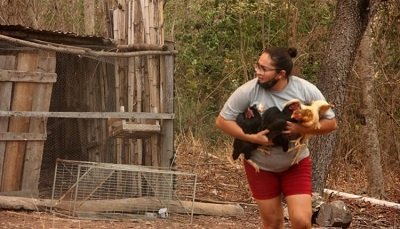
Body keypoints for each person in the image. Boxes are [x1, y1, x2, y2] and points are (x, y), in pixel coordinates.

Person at [215, 47, 337, 229]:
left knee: (302, 222)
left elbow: (331, 123)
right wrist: (252, 138)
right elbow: (222, 121)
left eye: (264, 69)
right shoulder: (249, 91)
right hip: (260, 166)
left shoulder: (304, 89)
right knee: (273, 223)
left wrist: (300, 128)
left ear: (280, 74)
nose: (258, 71)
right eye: (258, 66)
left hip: (295, 163)